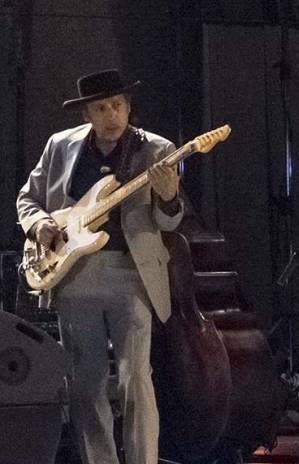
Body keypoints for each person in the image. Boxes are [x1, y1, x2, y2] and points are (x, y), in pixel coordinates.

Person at [17, 69, 184, 464]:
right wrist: (41, 224)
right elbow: (28, 199)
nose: (111, 114)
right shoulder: (59, 146)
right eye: (101, 107)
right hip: (75, 274)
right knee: (85, 383)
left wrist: (169, 197)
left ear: (129, 107)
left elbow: (170, 222)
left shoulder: (157, 150)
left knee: (136, 380)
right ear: (86, 114)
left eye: (118, 105)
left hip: (131, 272)